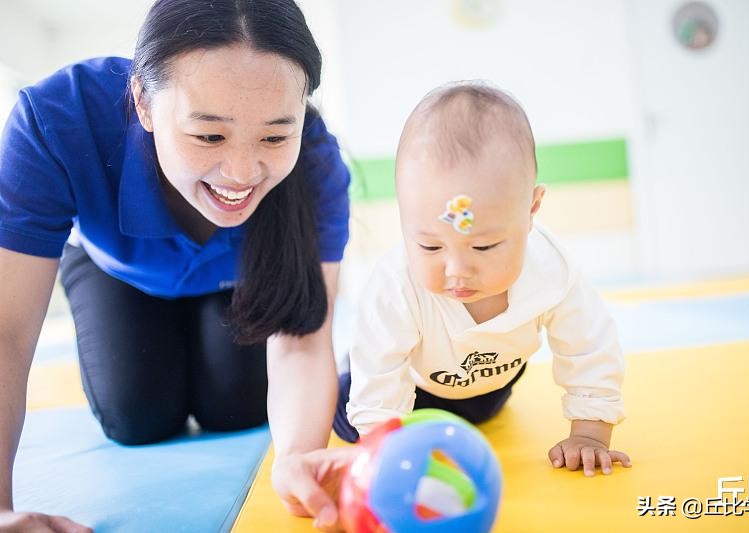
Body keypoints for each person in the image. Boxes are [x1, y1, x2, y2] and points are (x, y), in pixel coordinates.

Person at [0, 1, 352, 531]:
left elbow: (302, 338)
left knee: (238, 406)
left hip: (239, 282)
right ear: (142, 102)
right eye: (209, 136)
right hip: (116, 269)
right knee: (137, 414)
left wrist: (298, 458)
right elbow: (5, 332)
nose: (240, 172)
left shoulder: (318, 162)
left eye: (275, 136)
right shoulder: (56, 118)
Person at [333, 82, 632, 478]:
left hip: (489, 387)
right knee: (351, 414)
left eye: (485, 247)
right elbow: (380, 373)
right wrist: (385, 454)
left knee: (479, 417)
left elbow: (590, 344)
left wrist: (592, 431)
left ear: (531, 210)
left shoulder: (551, 269)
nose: (456, 270)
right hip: (403, 380)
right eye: (430, 247)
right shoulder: (396, 284)